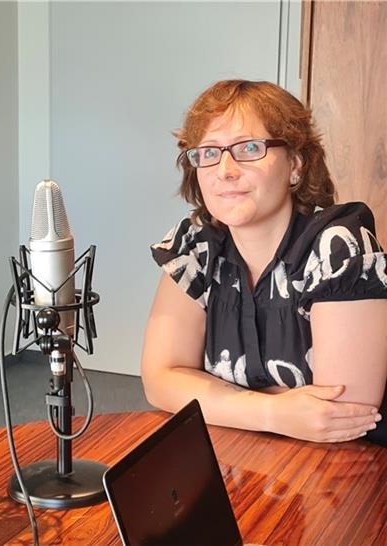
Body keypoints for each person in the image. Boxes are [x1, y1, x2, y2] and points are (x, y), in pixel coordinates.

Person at [141, 79, 387, 447]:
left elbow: (339, 417)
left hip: (349, 468)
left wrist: (209, 394)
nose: (225, 170)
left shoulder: (339, 247)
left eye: (249, 148)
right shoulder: (195, 245)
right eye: (209, 152)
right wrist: (275, 411)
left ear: (296, 166)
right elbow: (159, 380)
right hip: (243, 452)